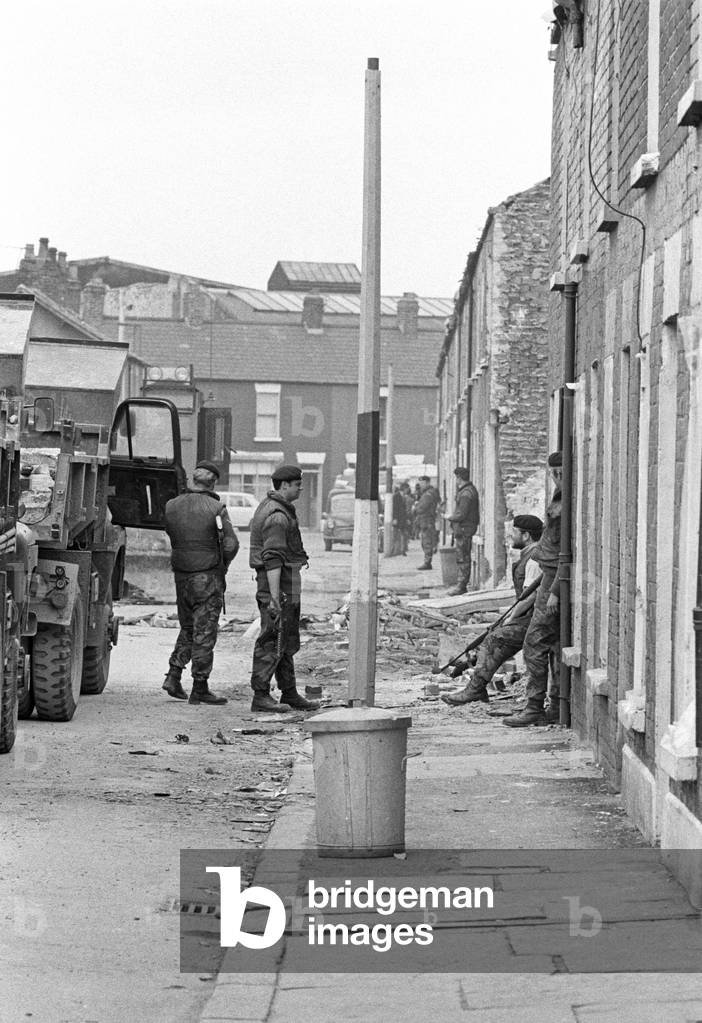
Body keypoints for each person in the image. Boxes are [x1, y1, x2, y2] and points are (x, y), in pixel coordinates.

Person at [442, 514, 543, 706]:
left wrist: (510, 619)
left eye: (514, 532)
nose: (510, 536)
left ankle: (474, 690)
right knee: (491, 635)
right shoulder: (530, 555)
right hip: (528, 616)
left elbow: (530, 596)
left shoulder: (534, 559)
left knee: (494, 639)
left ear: (526, 536)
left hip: (534, 619)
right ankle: (476, 687)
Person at [162, 460, 239, 705]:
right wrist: (222, 565)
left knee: (187, 628)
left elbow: (171, 533)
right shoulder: (217, 508)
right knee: (204, 633)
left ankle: (173, 675)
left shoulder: (171, 506)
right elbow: (231, 544)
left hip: (181, 575)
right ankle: (200, 687)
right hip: (207, 576)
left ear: (191, 481)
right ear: (213, 483)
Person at [248, 464, 319, 713]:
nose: (300, 488)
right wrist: (275, 597)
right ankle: (261, 695)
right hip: (278, 585)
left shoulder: (280, 509)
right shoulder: (277, 515)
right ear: (284, 485)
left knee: (285, 638)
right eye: (297, 484)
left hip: (287, 583)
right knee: (272, 638)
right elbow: (273, 558)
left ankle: (288, 692)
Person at [503, 452, 563, 727]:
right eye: (554, 472)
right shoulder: (558, 496)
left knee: (534, 642)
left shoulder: (565, 501)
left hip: (553, 578)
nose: (558, 477)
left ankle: (534, 708)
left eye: (562, 472)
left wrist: (555, 590)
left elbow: (566, 552)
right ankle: (552, 703)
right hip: (549, 575)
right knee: (550, 643)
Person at [445, 468, 480, 595]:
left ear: (459, 478)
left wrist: (450, 517)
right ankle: (461, 585)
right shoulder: (468, 491)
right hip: (465, 528)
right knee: (463, 556)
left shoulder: (466, 493)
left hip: (465, 528)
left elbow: (461, 514)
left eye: (456, 478)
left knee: (463, 557)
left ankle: (461, 586)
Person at [414, 476, 440, 570]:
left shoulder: (428, 494)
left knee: (426, 542)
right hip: (426, 520)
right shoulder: (428, 493)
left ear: (428, 483)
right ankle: (427, 561)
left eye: (422, 483)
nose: (421, 485)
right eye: (420, 483)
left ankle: (427, 562)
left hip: (427, 520)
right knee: (426, 541)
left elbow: (421, 507)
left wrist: (416, 508)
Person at [390, 483, 407, 556]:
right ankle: (393, 550)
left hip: (402, 519)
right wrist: (395, 518)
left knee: (403, 534)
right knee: (395, 535)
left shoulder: (403, 496)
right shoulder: (396, 496)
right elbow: (395, 508)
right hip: (397, 519)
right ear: (404, 488)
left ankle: (402, 550)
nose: (408, 490)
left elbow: (404, 509)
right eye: (407, 489)